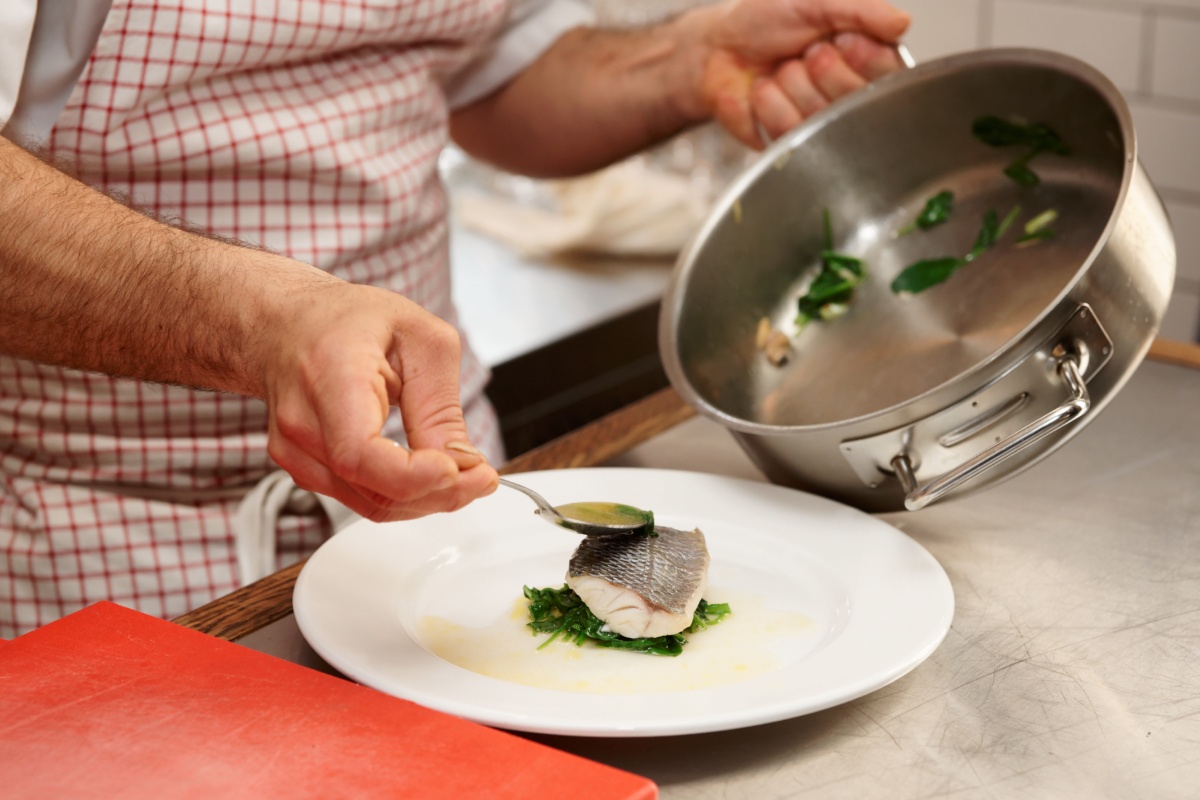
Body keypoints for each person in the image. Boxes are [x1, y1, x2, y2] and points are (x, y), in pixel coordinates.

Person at [0, 0, 910, 637]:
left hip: (449, 493)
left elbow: (488, 73)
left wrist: (683, 60)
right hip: (104, 526)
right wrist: (263, 321)